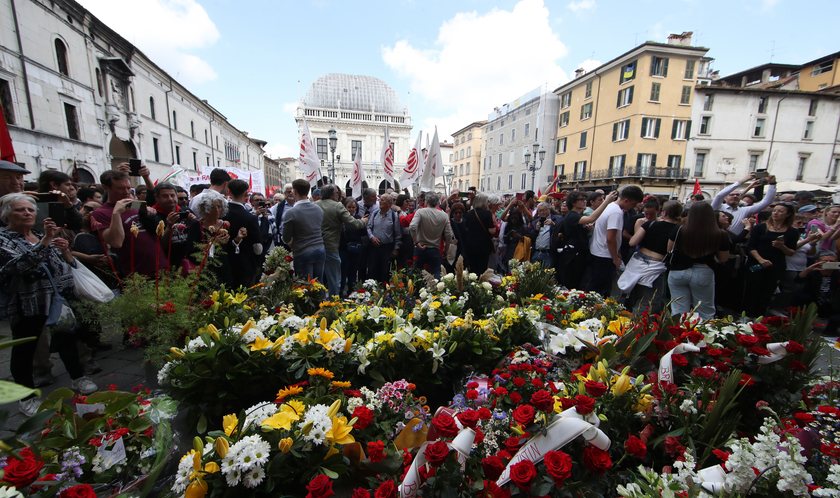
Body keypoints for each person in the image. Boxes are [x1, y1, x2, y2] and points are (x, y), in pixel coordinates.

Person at [0, 194, 98, 416]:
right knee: (25, 350)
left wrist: (64, 251)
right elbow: (17, 266)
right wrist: (46, 241)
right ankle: (25, 398)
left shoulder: (38, 235)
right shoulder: (4, 239)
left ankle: (78, 378)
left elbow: (60, 267)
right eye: (19, 210)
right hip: (27, 303)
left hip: (56, 301)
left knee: (67, 341)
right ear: (5, 214)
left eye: (30, 210)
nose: (27, 213)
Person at [91, 168, 167, 278]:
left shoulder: (135, 205)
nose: (126, 192)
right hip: (137, 274)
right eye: (120, 188)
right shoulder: (100, 213)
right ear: (106, 188)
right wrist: (116, 213)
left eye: (128, 187)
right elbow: (116, 242)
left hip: (161, 266)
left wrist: (151, 214)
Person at [666, 202, 730, 319]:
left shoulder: (679, 229)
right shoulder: (720, 234)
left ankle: (678, 334)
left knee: (678, 310)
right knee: (705, 311)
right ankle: (702, 335)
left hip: (678, 270)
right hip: (703, 271)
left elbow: (669, 249)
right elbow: (723, 258)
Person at [619, 200, 682, 314]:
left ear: (664, 212)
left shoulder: (649, 224)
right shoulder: (678, 230)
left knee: (634, 296)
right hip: (655, 265)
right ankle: (634, 327)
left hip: (638, 261)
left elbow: (632, 242)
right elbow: (669, 250)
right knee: (650, 301)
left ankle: (627, 323)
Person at [584, 186, 644, 297]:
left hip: (599, 253)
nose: (634, 207)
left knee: (594, 288)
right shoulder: (616, 212)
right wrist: (615, 258)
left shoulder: (610, 206)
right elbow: (610, 238)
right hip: (605, 256)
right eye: (634, 203)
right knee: (599, 291)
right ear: (626, 200)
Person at [743, 203, 799, 317]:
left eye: (780, 211)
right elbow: (751, 246)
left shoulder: (792, 231)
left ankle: (760, 316)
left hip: (775, 266)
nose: (776, 213)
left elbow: (792, 252)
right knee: (751, 290)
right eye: (774, 210)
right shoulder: (761, 227)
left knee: (767, 292)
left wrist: (782, 247)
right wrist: (760, 259)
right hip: (757, 263)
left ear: (788, 214)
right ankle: (746, 315)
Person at [558, 190, 617, 290]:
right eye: (581, 200)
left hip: (579, 255)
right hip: (573, 257)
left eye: (585, 199)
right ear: (573, 202)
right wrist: (606, 202)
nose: (585, 201)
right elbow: (591, 218)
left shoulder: (577, 216)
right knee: (572, 285)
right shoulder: (572, 215)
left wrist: (586, 231)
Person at [316, 184, 368, 296]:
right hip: (331, 246)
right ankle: (333, 302)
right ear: (332, 195)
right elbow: (354, 223)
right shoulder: (337, 206)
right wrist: (364, 221)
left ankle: (318, 300)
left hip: (316, 245)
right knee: (334, 277)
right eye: (336, 193)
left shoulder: (315, 205)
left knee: (317, 277)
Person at [282, 179, 326, 282]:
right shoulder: (318, 209)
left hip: (303, 251)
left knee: (305, 286)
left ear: (295, 192)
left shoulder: (292, 212)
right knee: (319, 283)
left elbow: (286, 238)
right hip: (320, 249)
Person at [185, 195, 233, 287]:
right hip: (205, 269)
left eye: (219, 206)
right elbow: (191, 249)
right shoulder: (197, 225)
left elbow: (229, 248)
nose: (217, 210)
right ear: (205, 208)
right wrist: (213, 243)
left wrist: (238, 239)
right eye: (213, 207)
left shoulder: (225, 224)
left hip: (224, 267)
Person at [710, 172, 777, 236]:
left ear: (741, 197)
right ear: (725, 198)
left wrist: (772, 184)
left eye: (737, 195)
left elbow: (767, 202)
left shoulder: (745, 210)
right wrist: (744, 180)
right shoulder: (717, 207)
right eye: (731, 194)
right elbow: (719, 196)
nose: (735, 196)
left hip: (735, 243)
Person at [223, 179, 262, 288]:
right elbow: (258, 247)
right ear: (246, 194)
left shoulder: (222, 214)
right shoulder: (250, 218)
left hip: (226, 263)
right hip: (246, 265)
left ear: (229, 192)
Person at [150, 182, 195, 269]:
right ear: (156, 197)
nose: (170, 199)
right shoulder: (153, 216)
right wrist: (169, 226)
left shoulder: (185, 211)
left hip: (190, 264)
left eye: (172, 195)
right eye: (165, 196)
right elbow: (161, 245)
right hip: (167, 265)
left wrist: (195, 222)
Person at [409, 192, 453, 279]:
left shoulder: (420, 212)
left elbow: (412, 226)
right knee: (435, 276)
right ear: (438, 203)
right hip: (435, 249)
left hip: (420, 247)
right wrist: (446, 249)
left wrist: (416, 242)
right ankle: (434, 292)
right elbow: (448, 234)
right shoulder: (444, 215)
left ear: (427, 201)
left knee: (417, 275)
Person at [796, 251, 840, 335]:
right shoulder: (813, 273)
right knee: (802, 297)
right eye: (825, 261)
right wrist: (809, 268)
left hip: (833, 306)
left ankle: (830, 331)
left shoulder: (837, 274)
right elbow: (797, 280)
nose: (828, 264)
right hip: (814, 302)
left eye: (832, 262)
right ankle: (802, 326)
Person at [366, 194, 402, 283]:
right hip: (374, 248)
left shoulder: (394, 216)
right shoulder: (374, 214)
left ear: (389, 203)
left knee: (384, 272)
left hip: (387, 248)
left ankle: (383, 293)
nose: (380, 201)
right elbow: (369, 227)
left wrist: (396, 248)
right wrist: (371, 237)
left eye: (383, 200)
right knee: (372, 270)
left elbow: (398, 234)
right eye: (380, 199)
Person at [461, 193, 497, 273]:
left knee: (473, 268)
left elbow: (466, 228)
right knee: (482, 268)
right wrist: (493, 223)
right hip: (483, 245)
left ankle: (473, 283)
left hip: (470, 244)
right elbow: (492, 231)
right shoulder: (487, 213)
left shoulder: (469, 213)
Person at [339, 198, 365, 296]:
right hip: (344, 249)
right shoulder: (341, 219)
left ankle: (351, 292)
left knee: (353, 272)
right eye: (349, 207)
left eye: (353, 207)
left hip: (356, 249)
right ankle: (341, 292)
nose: (351, 209)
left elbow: (363, 233)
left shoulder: (358, 218)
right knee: (343, 272)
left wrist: (361, 223)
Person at [529, 202, 562, 269]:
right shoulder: (535, 222)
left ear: (549, 209)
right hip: (537, 251)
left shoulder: (557, 219)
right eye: (540, 211)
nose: (542, 212)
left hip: (549, 252)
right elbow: (531, 237)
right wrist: (536, 230)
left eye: (544, 210)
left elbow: (561, 231)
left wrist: (553, 225)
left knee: (547, 275)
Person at [270, 183, 295, 250]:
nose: (291, 193)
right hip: (283, 239)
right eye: (288, 192)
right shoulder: (278, 206)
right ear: (285, 193)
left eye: (292, 191)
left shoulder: (299, 205)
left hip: (298, 238)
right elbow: (274, 221)